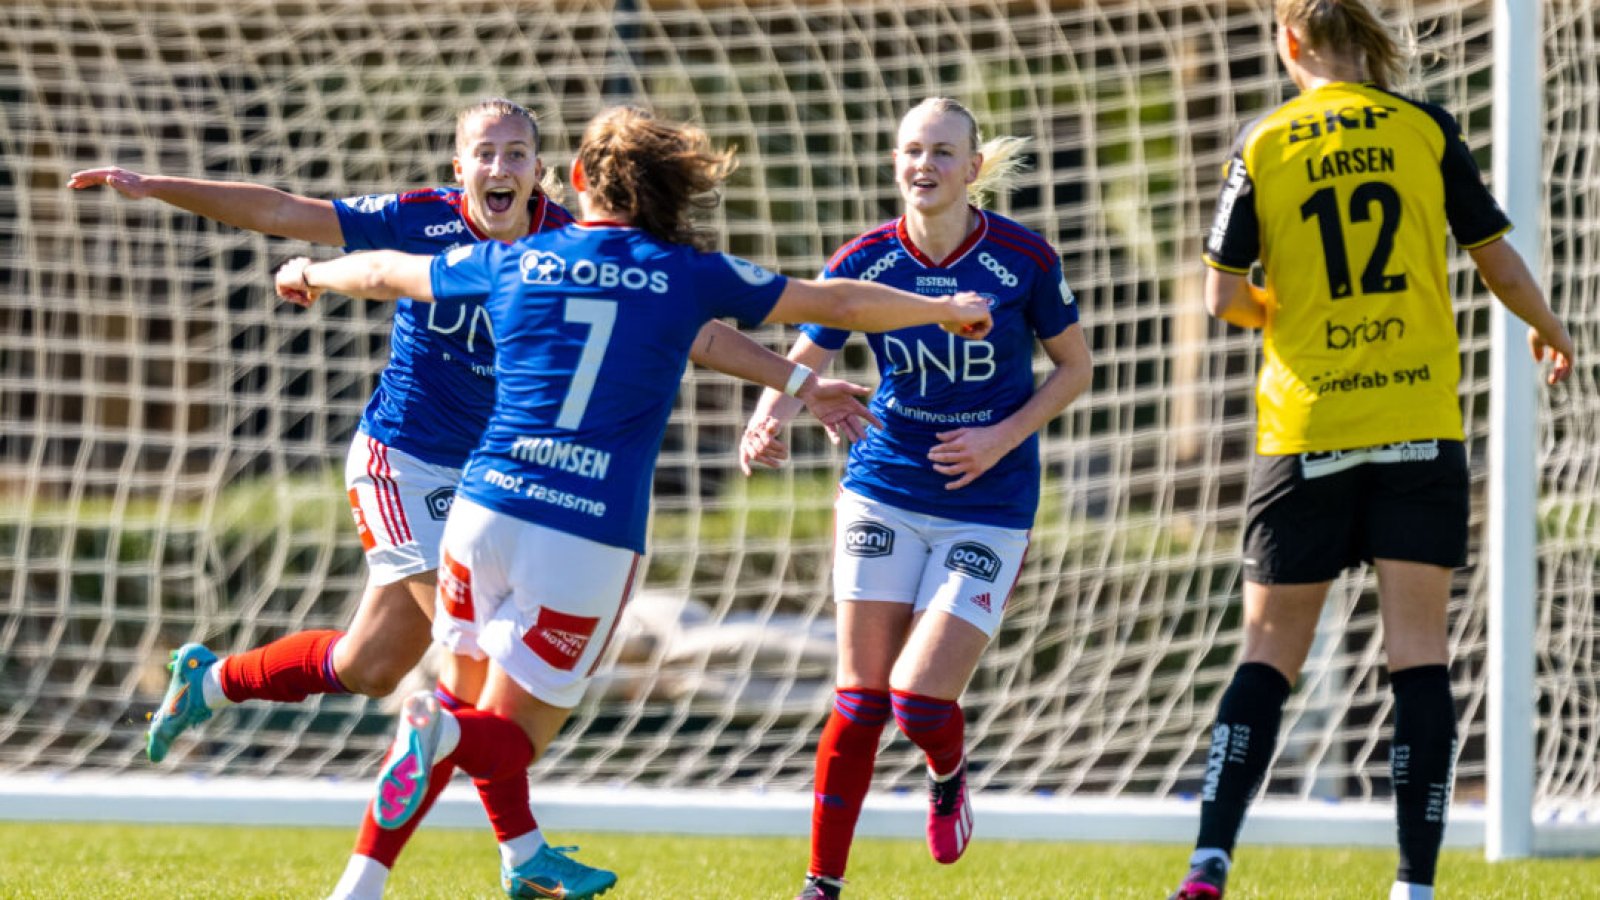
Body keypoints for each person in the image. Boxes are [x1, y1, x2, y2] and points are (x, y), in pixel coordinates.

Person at [69, 97, 875, 900]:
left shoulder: (568, 238)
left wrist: (799, 380)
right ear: (460, 169)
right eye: (484, 154)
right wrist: (155, 185)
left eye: (516, 153)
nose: (500, 168)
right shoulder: (422, 220)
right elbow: (285, 211)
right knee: (471, 678)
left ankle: (208, 682)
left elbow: (694, 331)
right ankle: (505, 856)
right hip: (403, 464)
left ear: (540, 169)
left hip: (494, 483)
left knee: (374, 665)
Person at [269, 103, 994, 900]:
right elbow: (842, 305)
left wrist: (308, 273)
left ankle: (364, 884)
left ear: (572, 180)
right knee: (502, 738)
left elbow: (382, 272)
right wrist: (943, 309)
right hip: (585, 535)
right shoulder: (687, 275)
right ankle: (445, 752)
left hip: (483, 511)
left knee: (458, 698)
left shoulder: (520, 256)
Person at [1168, 3, 1575, 899]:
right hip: (1416, 423)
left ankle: (1209, 861)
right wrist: (1549, 329)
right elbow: (1496, 262)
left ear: (1288, 44)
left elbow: (1221, 297)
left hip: (1306, 424)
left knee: (1267, 657)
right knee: (1418, 657)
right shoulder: (1423, 128)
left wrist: (1285, 310)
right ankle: (1413, 887)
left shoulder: (1265, 138)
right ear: (1367, 42)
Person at [738, 97, 1094, 900]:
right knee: (860, 700)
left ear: (973, 169)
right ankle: (821, 885)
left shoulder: (1022, 258)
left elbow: (1076, 370)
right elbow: (807, 355)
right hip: (885, 485)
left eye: (941, 152)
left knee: (919, 701)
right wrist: (771, 416)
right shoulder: (865, 258)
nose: (923, 166)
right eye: (910, 151)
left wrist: (1002, 436)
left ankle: (947, 771)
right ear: (895, 164)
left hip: (990, 499)